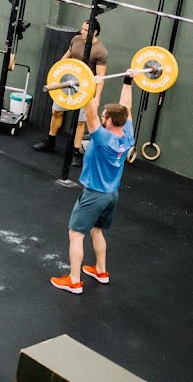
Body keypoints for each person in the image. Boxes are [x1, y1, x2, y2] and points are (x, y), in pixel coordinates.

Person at [50, 69, 140, 294]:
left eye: (104, 117)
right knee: (97, 230)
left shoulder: (102, 138)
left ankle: (74, 280)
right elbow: (126, 107)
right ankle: (100, 271)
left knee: (76, 234)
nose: (100, 119)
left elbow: (89, 111)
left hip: (94, 195)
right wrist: (128, 81)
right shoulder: (128, 134)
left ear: (109, 121)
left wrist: (92, 86)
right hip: (111, 195)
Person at [34, 19, 108, 166]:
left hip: (85, 89)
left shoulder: (100, 51)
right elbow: (66, 57)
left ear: (95, 32)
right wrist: (56, 74)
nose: (82, 32)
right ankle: (51, 140)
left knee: (81, 121)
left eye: (86, 30)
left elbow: (100, 77)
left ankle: (75, 152)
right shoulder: (76, 40)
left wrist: (97, 97)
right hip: (67, 83)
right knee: (56, 112)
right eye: (82, 29)